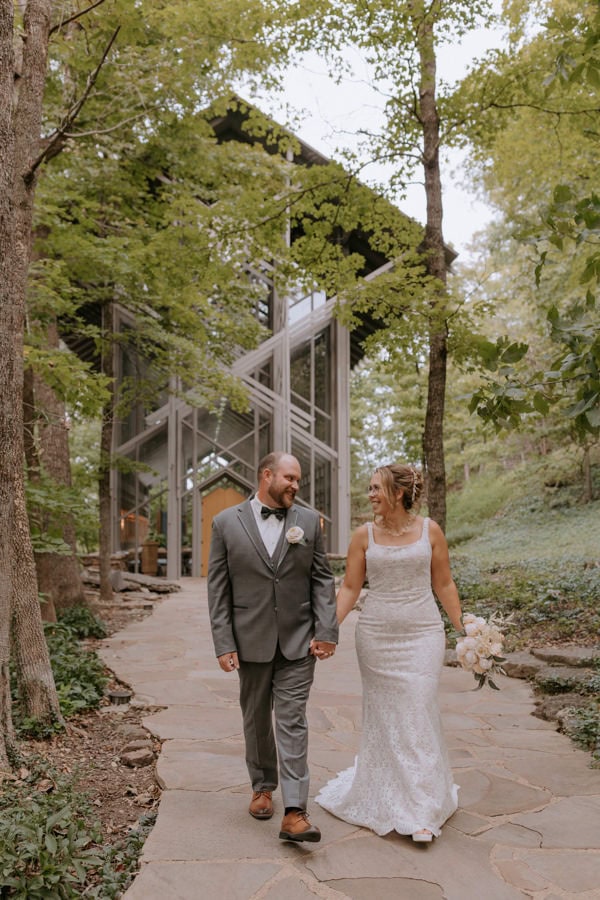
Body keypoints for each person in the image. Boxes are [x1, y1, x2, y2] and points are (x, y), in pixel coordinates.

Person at [315, 463, 463, 843]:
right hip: (377, 638)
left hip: (423, 634)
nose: (371, 495)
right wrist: (328, 630)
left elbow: (443, 583)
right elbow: (349, 588)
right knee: (387, 719)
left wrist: (465, 629)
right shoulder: (363, 536)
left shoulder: (430, 531)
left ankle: (424, 811)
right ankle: (391, 794)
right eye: (370, 488)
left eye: (376, 488)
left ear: (398, 492)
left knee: (417, 709)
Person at [207, 451, 338, 843]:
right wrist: (223, 641)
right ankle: (262, 786)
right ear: (266, 475)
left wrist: (326, 629)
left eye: (298, 480)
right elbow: (218, 589)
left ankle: (295, 810)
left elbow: (322, 579)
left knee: (292, 720)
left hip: (299, 640)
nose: (296, 486)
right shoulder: (225, 523)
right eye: (290, 478)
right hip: (249, 640)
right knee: (256, 719)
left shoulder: (309, 521)